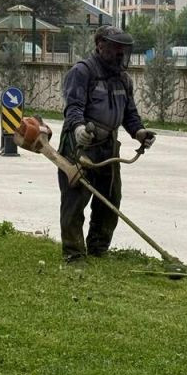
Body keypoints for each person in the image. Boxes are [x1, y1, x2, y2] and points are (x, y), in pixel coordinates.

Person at [58, 25, 156, 262]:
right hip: (81, 145)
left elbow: (130, 114)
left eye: (124, 50)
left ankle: (98, 249)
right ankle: (74, 254)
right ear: (100, 45)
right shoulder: (82, 72)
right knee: (75, 200)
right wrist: (79, 127)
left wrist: (140, 132)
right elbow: (73, 106)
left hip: (108, 148)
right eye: (116, 49)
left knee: (110, 199)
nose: (121, 55)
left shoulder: (123, 80)